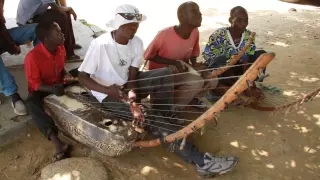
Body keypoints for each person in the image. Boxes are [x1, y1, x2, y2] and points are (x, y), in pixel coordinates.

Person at [77, 4, 237, 178]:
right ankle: (201, 162)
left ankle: (166, 121)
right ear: (118, 24)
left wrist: (132, 98)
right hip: (106, 94)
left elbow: (132, 77)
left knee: (164, 75)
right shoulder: (100, 44)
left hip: (125, 87)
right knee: (146, 115)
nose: (134, 28)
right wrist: (109, 90)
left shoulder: (136, 42)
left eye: (136, 25)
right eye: (130, 25)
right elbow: (82, 77)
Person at [144, 1, 217, 109]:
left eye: (199, 12)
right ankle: (171, 109)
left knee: (212, 79)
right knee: (196, 81)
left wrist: (194, 64)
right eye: (194, 11)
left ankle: (190, 97)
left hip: (181, 70)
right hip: (161, 76)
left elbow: (193, 53)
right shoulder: (164, 34)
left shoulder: (195, 31)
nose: (200, 14)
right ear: (182, 16)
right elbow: (148, 55)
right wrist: (173, 62)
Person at [25, 21, 73, 161]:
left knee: (82, 74)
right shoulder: (32, 57)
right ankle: (57, 142)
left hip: (59, 84)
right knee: (31, 102)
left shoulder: (60, 47)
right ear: (46, 38)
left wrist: (66, 74)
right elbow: (34, 84)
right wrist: (52, 89)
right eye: (57, 32)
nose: (62, 34)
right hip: (44, 88)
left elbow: (61, 67)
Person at [202, 6, 267, 95]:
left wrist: (249, 82)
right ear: (230, 20)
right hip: (222, 70)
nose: (243, 24)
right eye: (239, 20)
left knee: (261, 55)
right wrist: (231, 58)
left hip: (240, 67)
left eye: (246, 20)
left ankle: (247, 83)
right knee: (222, 58)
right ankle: (231, 85)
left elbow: (246, 59)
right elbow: (211, 59)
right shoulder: (219, 34)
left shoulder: (249, 35)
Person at [0, 0, 39, 115]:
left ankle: (41, 71)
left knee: (38, 29)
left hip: (2, 37)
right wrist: (13, 47)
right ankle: (12, 93)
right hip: (2, 38)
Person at [16, 0, 82, 60]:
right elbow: (56, 8)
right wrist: (69, 8)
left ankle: (70, 44)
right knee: (61, 16)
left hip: (36, 14)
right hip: (27, 20)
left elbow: (58, 6)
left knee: (65, 12)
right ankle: (66, 52)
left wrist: (67, 9)